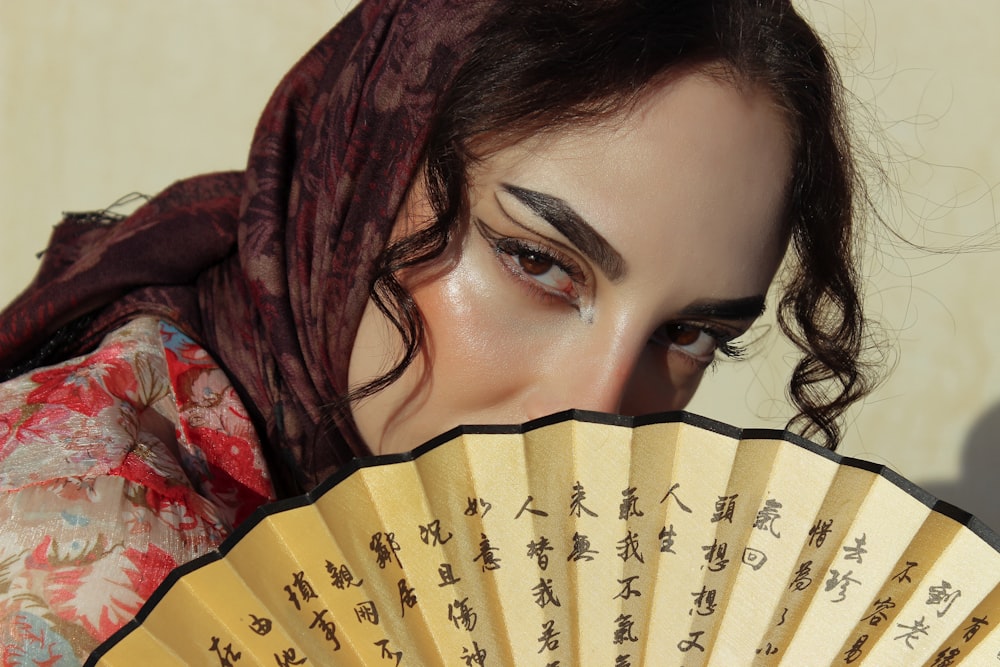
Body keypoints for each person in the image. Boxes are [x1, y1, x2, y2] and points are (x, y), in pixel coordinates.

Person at [0, 0, 878, 660]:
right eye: (538, 262)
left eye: (688, 333)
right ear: (365, 182)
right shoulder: (94, 557)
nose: (598, 419)